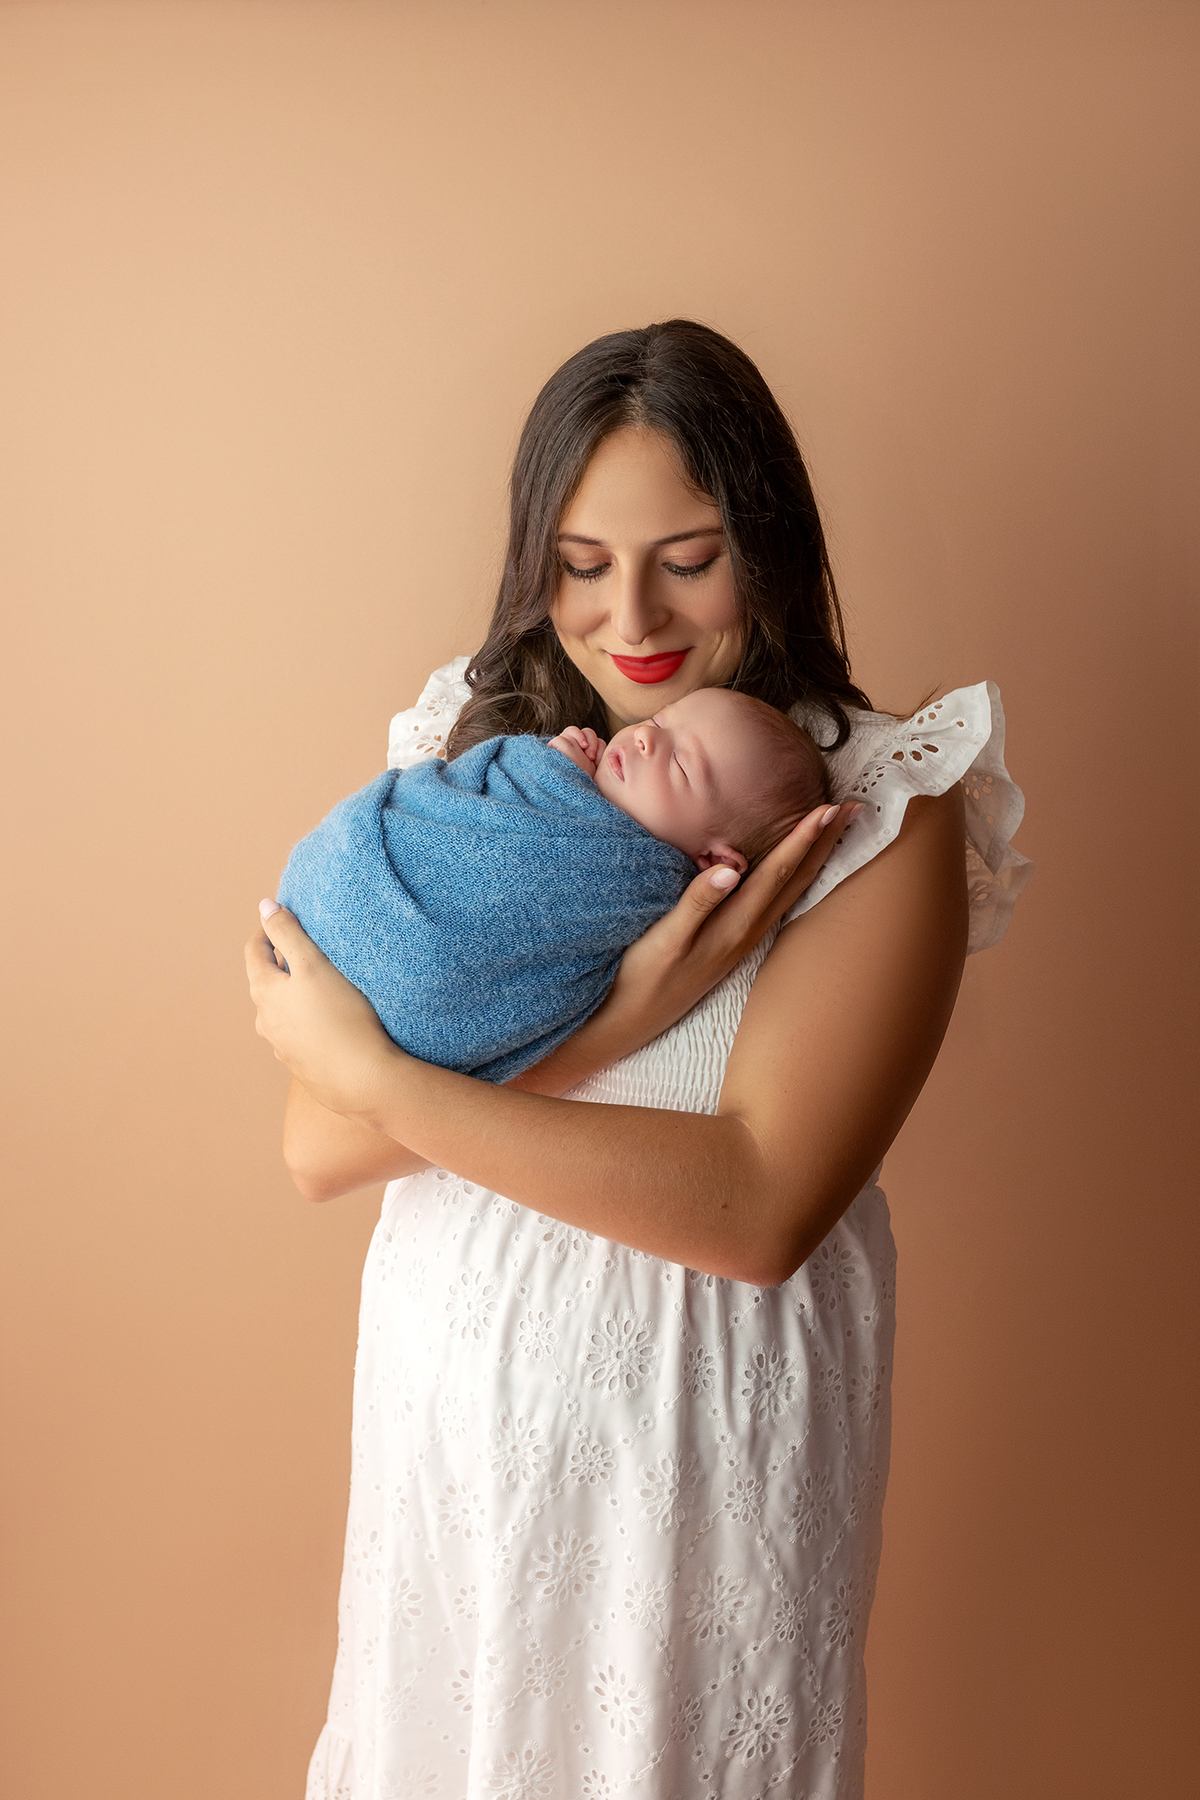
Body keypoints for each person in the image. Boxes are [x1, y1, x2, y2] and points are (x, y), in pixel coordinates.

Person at [245, 320, 1030, 1800]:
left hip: (690, 1468)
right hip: (454, 1454)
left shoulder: (870, 813)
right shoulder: (481, 757)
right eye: (581, 562)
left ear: (772, 547)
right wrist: (622, 1019)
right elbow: (318, 1149)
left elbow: (758, 1208)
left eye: (689, 555)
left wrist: (389, 1076)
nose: (632, 618)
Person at [276, 686, 833, 1082]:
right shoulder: (560, 764)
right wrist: (547, 766)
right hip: (355, 866)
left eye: (681, 766)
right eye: (660, 722)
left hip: (422, 980)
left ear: (711, 856)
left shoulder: (648, 884)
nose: (644, 740)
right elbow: (472, 795)